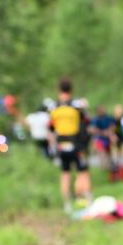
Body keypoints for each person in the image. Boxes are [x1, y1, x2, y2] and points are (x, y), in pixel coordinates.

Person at [49, 78, 93, 213]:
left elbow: (51, 128)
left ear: (58, 90)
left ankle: (67, 204)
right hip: (77, 143)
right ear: (71, 90)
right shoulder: (77, 105)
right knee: (83, 172)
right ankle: (88, 201)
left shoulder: (54, 107)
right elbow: (87, 121)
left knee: (65, 173)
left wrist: (53, 147)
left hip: (61, 144)